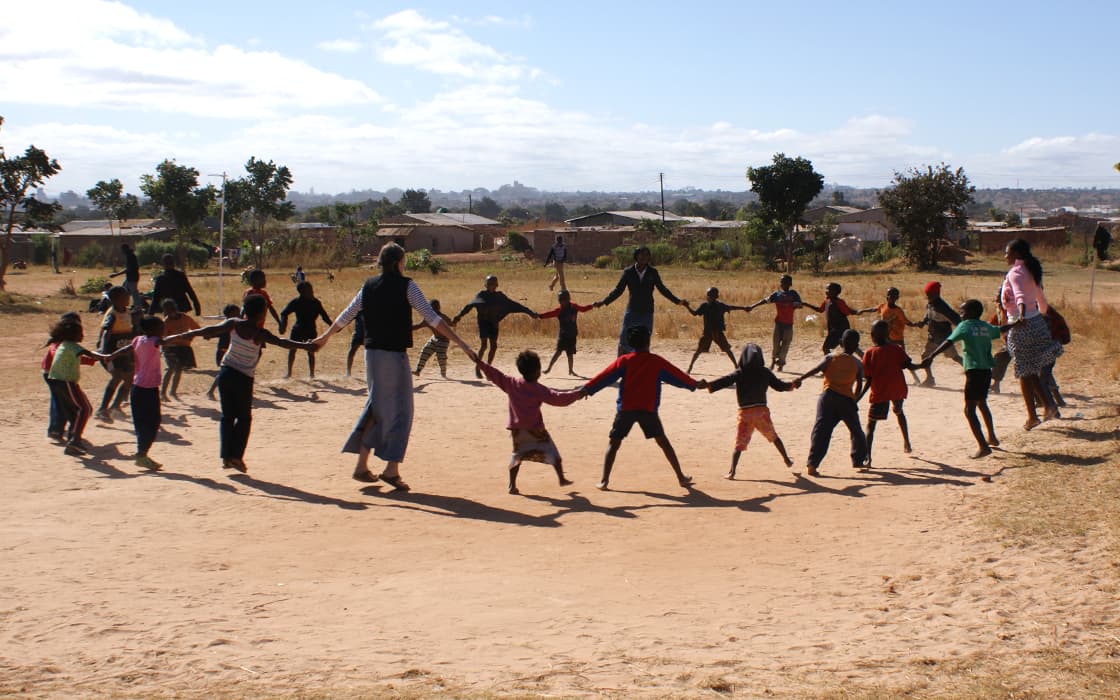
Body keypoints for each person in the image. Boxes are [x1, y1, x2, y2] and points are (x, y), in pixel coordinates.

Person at [314, 242, 476, 490]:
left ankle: (362, 465)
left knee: (376, 406)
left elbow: (347, 314)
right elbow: (433, 319)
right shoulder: (407, 286)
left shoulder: (368, 285)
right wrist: (462, 344)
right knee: (401, 410)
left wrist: (325, 336)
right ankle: (391, 469)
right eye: (404, 261)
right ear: (398, 263)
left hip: (372, 354)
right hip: (393, 356)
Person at [165, 295, 318, 473]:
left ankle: (226, 457)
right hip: (243, 378)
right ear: (262, 314)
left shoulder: (234, 323)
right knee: (244, 418)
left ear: (244, 309)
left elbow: (209, 330)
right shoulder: (260, 333)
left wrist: (182, 335)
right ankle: (236, 456)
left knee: (227, 417)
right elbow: (283, 343)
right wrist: (306, 346)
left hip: (226, 373)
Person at [583, 325, 706, 490]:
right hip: (647, 409)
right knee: (663, 442)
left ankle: (604, 480)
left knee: (614, 443)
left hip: (626, 409)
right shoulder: (656, 361)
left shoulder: (625, 361)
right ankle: (681, 477)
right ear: (648, 342)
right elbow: (676, 375)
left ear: (631, 343)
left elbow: (605, 376)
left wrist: (588, 389)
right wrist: (694, 384)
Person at [477, 350, 583, 494]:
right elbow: (558, 399)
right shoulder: (538, 389)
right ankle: (561, 478)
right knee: (553, 454)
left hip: (517, 430)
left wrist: (479, 362)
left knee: (517, 455)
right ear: (537, 371)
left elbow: (495, 374)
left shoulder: (511, 383)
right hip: (536, 430)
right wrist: (577, 394)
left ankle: (511, 485)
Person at [923, 299, 1008, 458]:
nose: (960, 315)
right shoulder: (984, 326)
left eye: (962, 312)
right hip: (986, 371)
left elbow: (948, 342)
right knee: (982, 403)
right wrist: (1016, 324)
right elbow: (1001, 329)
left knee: (969, 410)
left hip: (974, 372)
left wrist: (931, 355)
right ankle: (992, 437)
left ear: (971, 313)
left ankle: (983, 446)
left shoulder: (964, 326)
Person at [706, 343, 799, 478]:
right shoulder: (765, 372)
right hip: (762, 412)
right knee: (773, 436)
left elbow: (725, 381)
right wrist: (793, 385)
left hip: (745, 413)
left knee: (740, 443)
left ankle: (732, 471)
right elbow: (779, 386)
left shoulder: (740, 372)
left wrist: (710, 385)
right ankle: (787, 459)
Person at [1000, 238, 1063, 430]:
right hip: (1036, 323)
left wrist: (1021, 316)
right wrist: (1041, 316)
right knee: (1029, 370)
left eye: (1007, 252)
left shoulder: (1015, 273)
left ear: (1016, 254)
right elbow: (1040, 298)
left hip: (1022, 325)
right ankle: (1049, 406)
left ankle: (1032, 416)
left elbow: (1019, 295)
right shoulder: (1031, 269)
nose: (1005, 256)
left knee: (1024, 372)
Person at [794, 329, 866, 477]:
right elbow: (859, 384)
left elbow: (816, 369)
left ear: (840, 343)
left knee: (821, 431)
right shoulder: (857, 364)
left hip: (827, 398)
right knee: (857, 432)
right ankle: (858, 460)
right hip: (846, 401)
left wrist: (801, 378)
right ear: (857, 346)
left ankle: (812, 464)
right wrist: (855, 399)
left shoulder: (831, 357)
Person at [595, 246, 688, 355]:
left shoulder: (652, 272)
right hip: (632, 310)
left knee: (644, 340)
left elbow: (663, 289)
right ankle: (621, 365)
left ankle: (642, 367)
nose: (644, 257)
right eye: (642, 255)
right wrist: (604, 302)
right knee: (624, 339)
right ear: (636, 256)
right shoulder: (628, 272)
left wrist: (677, 301)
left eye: (647, 255)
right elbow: (618, 290)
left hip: (647, 311)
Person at [857, 320, 923, 469]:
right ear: (888, 334)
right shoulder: (897, 349)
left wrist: (858, 397)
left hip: (880, 392)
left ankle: (868, 457)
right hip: (897, 389)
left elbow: (868, 379)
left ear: (872, 335)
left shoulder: (869, 353)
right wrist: (922, 365)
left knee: (871, 425)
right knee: (899, 412)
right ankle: (907, 442)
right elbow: (908, 365)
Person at [107, 315, 166, 469]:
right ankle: (141, 454)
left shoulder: (138, 339)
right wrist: (186, 335)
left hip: (137, 387)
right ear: (153, 330)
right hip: (148, 389)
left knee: (141, 423)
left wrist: (112, 355)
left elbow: (128, 348)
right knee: (153, 422)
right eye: (161, 328)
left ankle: (142, 453)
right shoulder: (154, 341)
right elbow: (164, 341)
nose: (163, 330)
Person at [452, 275, 538, 378]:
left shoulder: (499, 297)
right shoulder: (481, 295)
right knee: (484, 346)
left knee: (493, 346)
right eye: (489, 284)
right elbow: (469, 306)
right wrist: (458, 316)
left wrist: (529, 312)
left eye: (493, 284)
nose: (491, 286)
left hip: (493, 323)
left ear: (497, 285)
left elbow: (515, 305)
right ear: (485, 285)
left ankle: (488, 369)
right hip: (483, 323)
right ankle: (478, 368)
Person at [47, 316, 110, 455]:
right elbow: (89, 354)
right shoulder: (71, 346)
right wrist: (106, 356)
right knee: (85, 408)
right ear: (73, 335)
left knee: (79, 410)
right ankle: (74, 441)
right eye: (80, 333)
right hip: (66, 382)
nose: (82, 336)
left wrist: (98, 358)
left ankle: (74, 439)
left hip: (60, 381)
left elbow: (81, 359)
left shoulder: (65, 345)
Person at [42, 312, 95, 442]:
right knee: (62, 404)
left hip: (56, 375)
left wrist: (90, 360)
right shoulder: (61, 344)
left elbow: (72, 358)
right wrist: (90, 359)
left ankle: (59, 430)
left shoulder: (63, 342)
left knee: (62, 403)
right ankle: (58, 430)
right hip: (54, 375)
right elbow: (63, 358)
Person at [856, 287, 921, 385]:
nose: (890, 297)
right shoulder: (883, 306)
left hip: (897, 338)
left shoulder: (898, 311)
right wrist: (863, 310)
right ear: (886, 296)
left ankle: (916, 378)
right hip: (886, 338)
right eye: (889, 295)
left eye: (893, 295)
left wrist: (916, 324)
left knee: (904, 359)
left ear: (897, 298)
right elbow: (874, 309)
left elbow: (906, 321)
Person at [684, 287, 750, 374]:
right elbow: (732, 307)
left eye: (709, 295)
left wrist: (744, 308)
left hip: (714, 333)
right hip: (712, 333)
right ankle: (690, 368)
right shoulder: (711, 306)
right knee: (702, 350)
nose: (708, 297)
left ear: (713, 297)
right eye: (708, 295)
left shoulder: (713, 306)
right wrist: (744, 308)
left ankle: (736, 366)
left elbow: (731, 307)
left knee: (724, 350)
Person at [746, 274, 802, 371]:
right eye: (781, 281)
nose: (782, 283)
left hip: (788, 324)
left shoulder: (794, 294)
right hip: (778, 323)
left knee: (785, 345)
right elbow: (765, 300)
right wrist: (752, 306)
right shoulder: (777, 294)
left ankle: (780, 364)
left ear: (790, 283)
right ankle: (772, 362)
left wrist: (797, 305)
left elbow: (800, 304)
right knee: (775, 344)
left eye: (785, 281)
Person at [95, 286, 135, 422]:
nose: (128, 298)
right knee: (117, 377)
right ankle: (102, 409)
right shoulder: (112, 315)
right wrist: (105, 353)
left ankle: (115, 407)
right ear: (117, 300)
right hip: (111, 353)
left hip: (124, 353)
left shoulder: (128, 312)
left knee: (130, 379)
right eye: (126, 296)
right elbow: (106, 333)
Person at [279, 281, 332, 378]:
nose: (312, 292)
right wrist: (283, 324)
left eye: (311, 290)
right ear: (302, 292)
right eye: (309, 291)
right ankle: (289, 373)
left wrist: (332, 326)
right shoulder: (296, 302)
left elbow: (325, 317)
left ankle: (312, 374)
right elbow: (284, 313)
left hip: (310, 330)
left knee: (311, 352)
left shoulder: (316, 302)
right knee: (292, 350)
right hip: (298, 329)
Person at [538, 289, 594, 376]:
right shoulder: (559, 310)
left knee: (570, 354)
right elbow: (549, 314)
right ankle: (549, 368)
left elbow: (583, 309)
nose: (562, 302)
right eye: (560, 300)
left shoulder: (574, 307)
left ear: (568, 299)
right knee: (558, 352)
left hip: (572, 335)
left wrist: (592, 305)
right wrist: (539, 316)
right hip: (563, 335)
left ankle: (571, 370)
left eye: (563, 300)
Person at [916, 281, 961, 387]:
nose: (928, 296)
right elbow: (928, 314)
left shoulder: (943, 308)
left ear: (937, 294)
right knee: (925, 356)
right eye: (927, 294)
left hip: (944, 340)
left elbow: (957, 321)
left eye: (930, 294)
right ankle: (930, 379)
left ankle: (972, 374)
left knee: (955, 357)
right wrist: (923, 322)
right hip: (932, 337)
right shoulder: (931, 304)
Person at [160, 298, 199, 400]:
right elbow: (164, 338)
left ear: (175, 308)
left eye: (171, 309)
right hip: (171, 348)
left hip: (184, 347)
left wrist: (191, 336)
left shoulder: (185, 318)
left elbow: (196, 329)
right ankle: (163, 393)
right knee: (171, 368)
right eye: (167, 310)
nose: (170, 312)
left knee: (179, 369)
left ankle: (173, 391)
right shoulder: (166, 322)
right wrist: (165, 349)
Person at [206, 304, 241, 401]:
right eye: (236, 313)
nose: (239, 315)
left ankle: (231, 392)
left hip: (233, 352)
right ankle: (211, 391)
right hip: (223, 352)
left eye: (239, 313)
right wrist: (208, 335)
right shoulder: (225, 325)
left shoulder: (237, 324)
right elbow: (213, 332)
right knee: (224, 373)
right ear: (229, 314)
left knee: (232, 373)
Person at [412, 299, 454, 378]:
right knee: (424, 352)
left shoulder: (442, 317)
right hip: (434, 338)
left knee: (441, 357)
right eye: (433, 308)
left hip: (444, 340)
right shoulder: (428, 319)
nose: (435, 309)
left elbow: (452, 323)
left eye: (436, 307)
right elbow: (418, 326)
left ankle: (443, 373)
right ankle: (418, 371)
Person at [811, 282, 854, 355]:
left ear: (836, 292)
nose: (826, 291)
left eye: (829, 289)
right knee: (847, 347)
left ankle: (829, 363)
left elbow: (847, 312)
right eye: (826, 289)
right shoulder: (827, 301)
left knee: (826, 348)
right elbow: (820, 310)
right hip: (834, 329)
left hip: (841, 329)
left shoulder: (839, 302)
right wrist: (805, 304)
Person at [109, 243, 143, 310]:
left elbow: (129, 269)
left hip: (132, 277)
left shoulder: (130, 256)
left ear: (125, 249)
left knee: (133, 292)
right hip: (131, 277)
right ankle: (124, 304)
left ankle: (138, 307)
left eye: (122, 250)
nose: (121, 252)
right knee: (124, 291)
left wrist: (116, 274)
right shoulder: (130, 255)